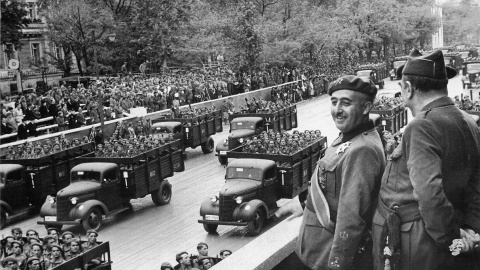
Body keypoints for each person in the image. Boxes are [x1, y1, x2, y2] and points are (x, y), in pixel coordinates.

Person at [372, 50, 480, 270]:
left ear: (409, 89)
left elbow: (429, 193)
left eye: (401, 88)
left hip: (420, 243)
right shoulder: (468, 120)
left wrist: (453, 241)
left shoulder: (422, 125)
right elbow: (476, 183)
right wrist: (470, 229)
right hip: (454, 232)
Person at [275, 75, 386, 270]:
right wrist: (305, 203)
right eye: (334, 102)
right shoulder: (350, 139)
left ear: (366, 107)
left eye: (346, 103)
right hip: (315, 248)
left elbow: (351, 220)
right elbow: (333, 189)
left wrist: (337, 265)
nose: (337, 110)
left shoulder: (362, 150)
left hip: (325, 257)